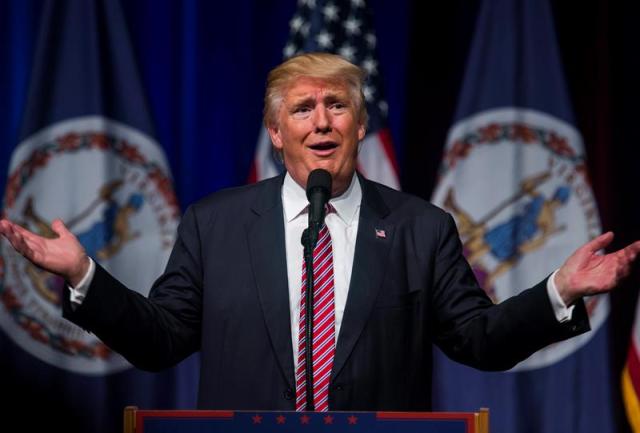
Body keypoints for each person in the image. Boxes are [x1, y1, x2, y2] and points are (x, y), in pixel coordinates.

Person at [1, 52, 639, 412]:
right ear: (276, 134)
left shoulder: (421, 228)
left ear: (360, 127)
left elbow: (480, 341)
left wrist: (559, 289)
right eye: (303, 108)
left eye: (338, 106)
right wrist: (85, 277)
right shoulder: (215, 225)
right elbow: (161, 341)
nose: (322, 121)